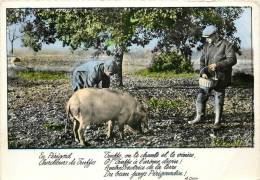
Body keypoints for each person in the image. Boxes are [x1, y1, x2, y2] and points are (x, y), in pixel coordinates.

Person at [188, 25, 237, 128]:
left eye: (208, 37)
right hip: (207, 77)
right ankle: (199, 117)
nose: (207, 39)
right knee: (201, 97)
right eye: (205, 37)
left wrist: (218, 65)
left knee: (218, 98)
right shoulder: (206, 46)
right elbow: (202, 61)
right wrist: (203, 73)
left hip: (221, 77)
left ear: (215, 35)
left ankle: (217, 121)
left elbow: (232, 60)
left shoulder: (226, 45)